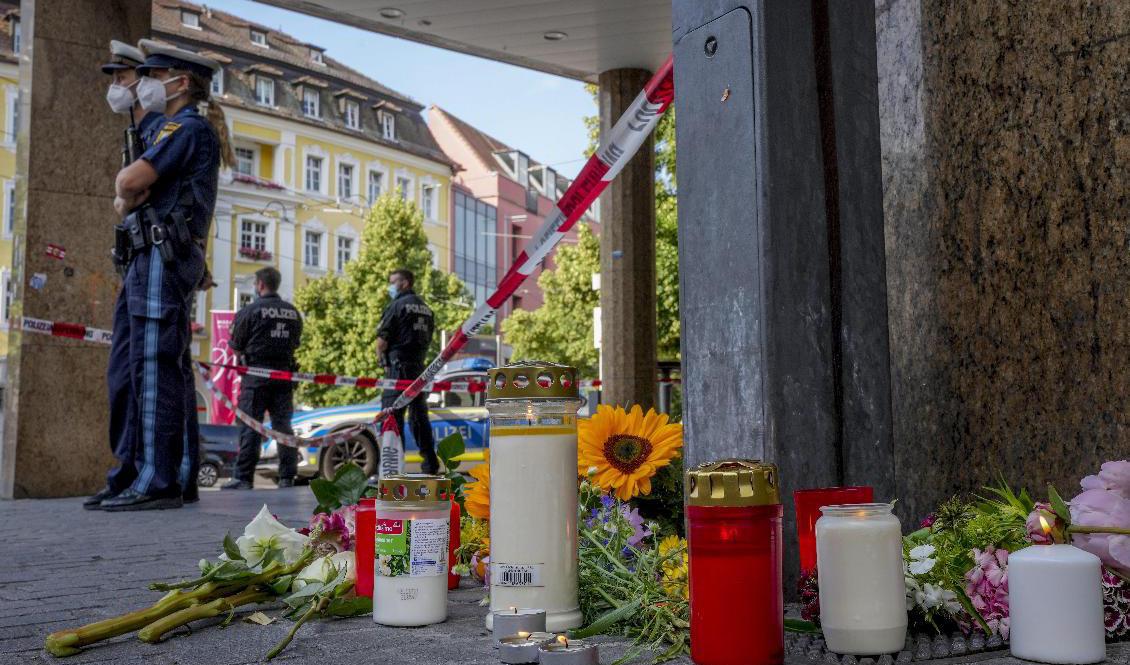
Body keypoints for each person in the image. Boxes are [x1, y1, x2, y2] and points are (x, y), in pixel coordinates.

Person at [98, 40, 233, 511]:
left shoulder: (185, 126)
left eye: (153, 73)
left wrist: (126, 194)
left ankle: (158, 480)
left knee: (155, 368)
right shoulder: (174, 128)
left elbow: (128, 184)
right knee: (144, 367)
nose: (142, 82)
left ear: (179, 81)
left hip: (163, 253)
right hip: (152, 253)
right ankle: (156, 475)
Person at [222, 267, 303, 490]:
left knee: (251, 426)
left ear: (259, 285)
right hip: (284, 377)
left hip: (255, 378)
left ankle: (244, 477)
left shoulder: (250, 311)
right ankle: (287, 476)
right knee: (283, 427)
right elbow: (295, 344)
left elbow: (236, 347)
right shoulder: (293, 312)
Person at [377, 268, 438, 474]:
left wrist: (381, 358)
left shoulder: (396, 306)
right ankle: (430, 465)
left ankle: (392, 470)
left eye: (392, 281)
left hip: (397, 369)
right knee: (419, 418)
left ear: (404, 283)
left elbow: (381, 341)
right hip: (419, 370)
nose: (390, 286)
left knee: (391, 417)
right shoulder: (427, 309)